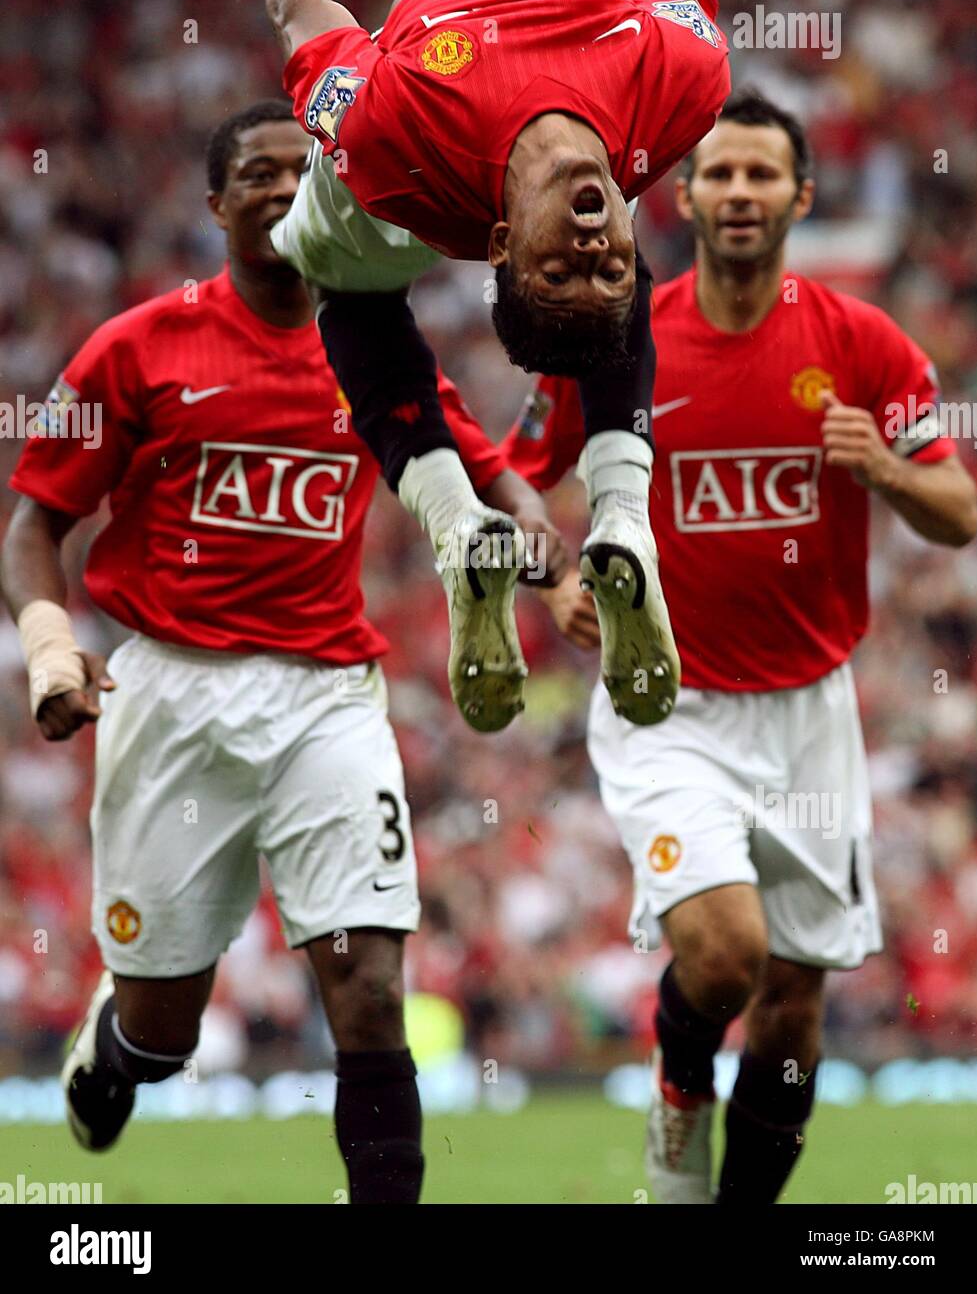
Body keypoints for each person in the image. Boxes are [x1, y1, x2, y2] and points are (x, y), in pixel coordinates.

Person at [1, 99, 559, 1205]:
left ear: (329, 191)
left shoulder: (372, 342)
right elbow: (34, 525)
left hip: (328, 699)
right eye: (254, 173)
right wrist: (51, 643)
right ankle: (115, 1048)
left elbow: (484, 465)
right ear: (216, 202)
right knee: (165, 1025)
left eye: (299, 170)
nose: (276, 188)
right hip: (169, 692)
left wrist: (531, 533)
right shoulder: (138, 345)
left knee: (367, 984)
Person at [503, 91, 977, 1203]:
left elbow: (957, 508)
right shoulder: (621, 336)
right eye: (717, 173)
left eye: (761, 174)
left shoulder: (860, 342)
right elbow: (511, 479)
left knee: (795, 1007)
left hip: (811, 706)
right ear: (685, 193)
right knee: (723, 955)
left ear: (800, 196)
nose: (737, 193)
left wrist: (888, 470)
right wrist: (560, 577)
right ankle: (676, 1100)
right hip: (667, 699)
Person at [264, 0, 731, 731]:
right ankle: (625, 514)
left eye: (560, 267)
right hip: (535, 124)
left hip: (396, 207)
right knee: (603, 308)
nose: (593, 241)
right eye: (610, 258)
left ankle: (454, 523)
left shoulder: (387, 134)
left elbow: (300, 6)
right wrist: (587, 282)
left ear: (504, 247)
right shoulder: (685, 80)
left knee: (339, 284)